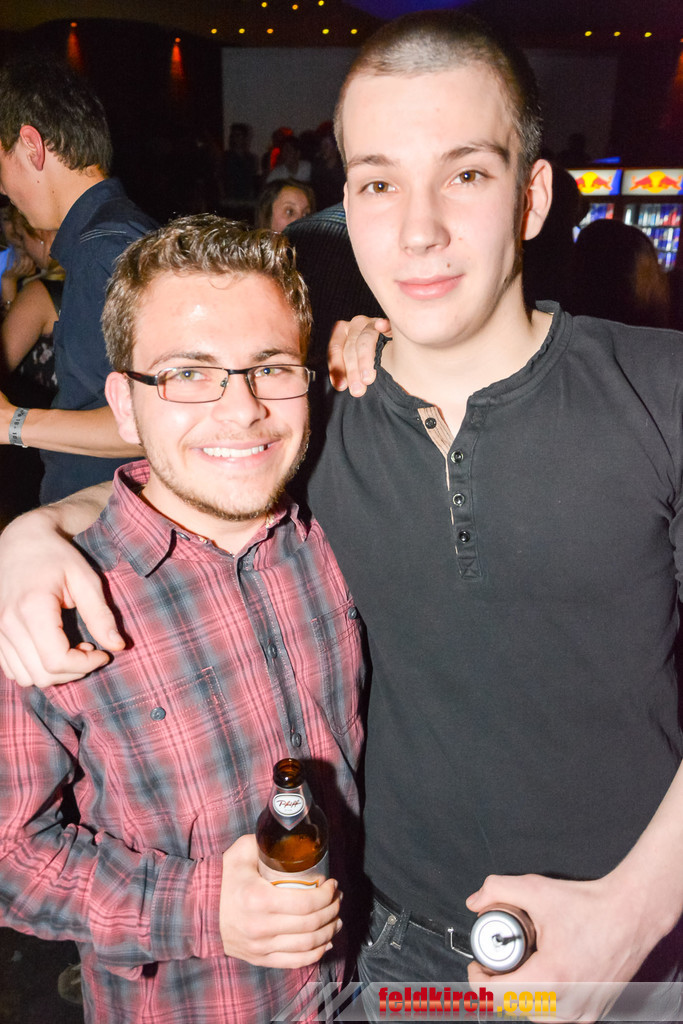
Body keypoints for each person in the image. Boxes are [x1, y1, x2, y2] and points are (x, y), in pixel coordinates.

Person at [3, 10, 683, 1019]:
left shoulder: (661, 388)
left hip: (642, 963)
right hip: (403, 969)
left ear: (532, 195)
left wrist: (628, 916)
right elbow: (200, 476)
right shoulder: (319, 420)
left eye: (464, 173)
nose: (417, 229)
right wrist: (35, 534)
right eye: (377, 182)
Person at [0, 214, 364, 1024]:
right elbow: (10, 853)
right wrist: (199, 905)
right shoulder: (53, 604)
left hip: (356, 986)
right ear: (124, 406)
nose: (241, 411)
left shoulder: (338, 534)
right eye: (189, 373)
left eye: (269, 367)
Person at [0, 55, 157, 503]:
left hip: (106, 516)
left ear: (32, 147)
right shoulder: (114, 234)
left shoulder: (101, 249)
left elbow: (150, 419)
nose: (3, 189)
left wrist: (12, 423)